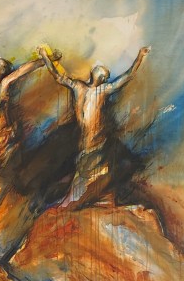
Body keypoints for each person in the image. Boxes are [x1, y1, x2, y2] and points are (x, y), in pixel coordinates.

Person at [38, 44, 150, 204]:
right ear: (94, 74)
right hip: (85, 146)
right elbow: (57, 76)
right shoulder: (78, 86)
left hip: (97, 145)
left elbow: (127, 77)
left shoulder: (103, 90)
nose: (103, 74)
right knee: (81, 180)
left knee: (91, 180)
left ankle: (91, 197)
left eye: (105, 74)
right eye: (102, 72)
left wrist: (140, 57)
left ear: (103, 79)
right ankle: (75, 199)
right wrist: (44, 56)